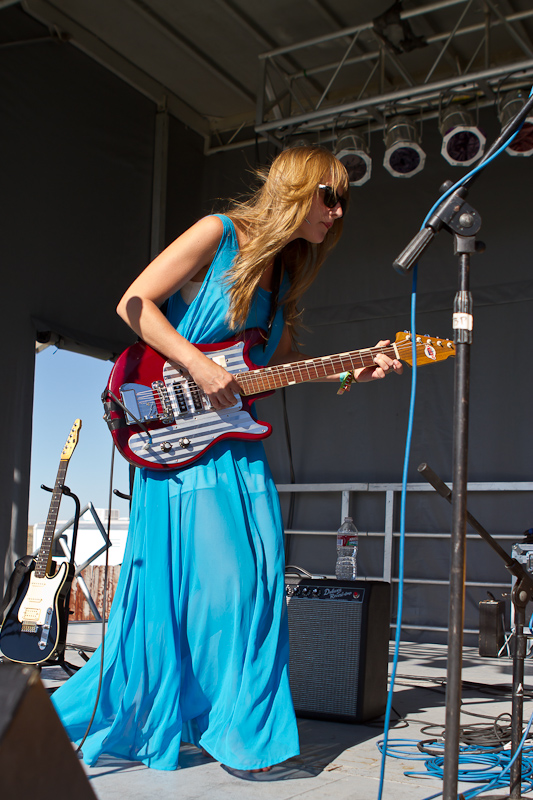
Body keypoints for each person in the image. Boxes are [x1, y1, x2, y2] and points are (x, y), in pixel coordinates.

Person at [51, 145, 402, 774]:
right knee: (213, 589)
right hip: (177, 438)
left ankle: (240, 734)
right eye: (329, 194)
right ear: (295, 188)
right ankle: (204, 720)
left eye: (342, 200)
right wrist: (196, 361)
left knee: (259, 582)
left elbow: (271, 376)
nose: (337, 210)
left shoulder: (287, 276)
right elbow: (133, 303)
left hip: (234, 444)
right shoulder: (220, 234)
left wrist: (352, 370)